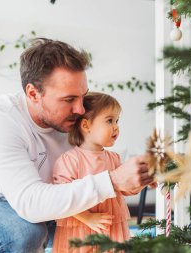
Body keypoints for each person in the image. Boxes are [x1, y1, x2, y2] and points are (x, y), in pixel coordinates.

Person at [0, 38, 153, 253]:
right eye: (69, 99)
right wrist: (112, 181)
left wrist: (140, 175)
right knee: (25, 232)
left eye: (83, 96)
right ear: (33, 94)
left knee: (104, 225)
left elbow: (94, 169)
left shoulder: (75, 120)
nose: (80, 109)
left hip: (50, 206)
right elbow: (30, 203)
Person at [52, 92, 136, 253]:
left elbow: (124, 188)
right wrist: (87, 218)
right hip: (80, 227)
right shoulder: (69, 160)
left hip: (110, 226)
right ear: (86, 125)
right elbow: (62, 198)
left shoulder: (114, 158)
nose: (116, 126)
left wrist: (141, 180)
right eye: (109, 120)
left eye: (117, 121)